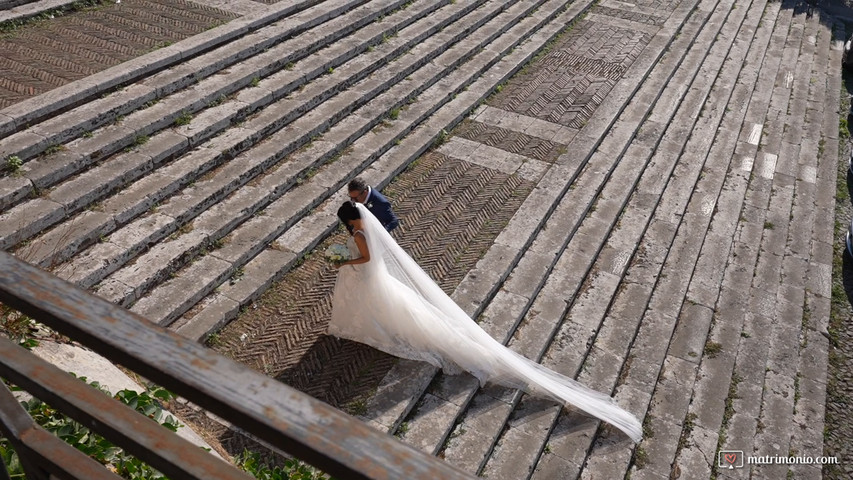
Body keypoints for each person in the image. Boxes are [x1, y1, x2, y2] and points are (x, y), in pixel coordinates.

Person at [328, 201, 642, 443]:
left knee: (400, 316)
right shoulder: (365, 228)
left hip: (371, 278)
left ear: (350, 220)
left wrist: (345, 259)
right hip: (377, 280)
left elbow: (368, 258)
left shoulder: (358, 233)